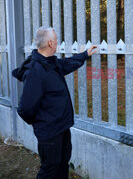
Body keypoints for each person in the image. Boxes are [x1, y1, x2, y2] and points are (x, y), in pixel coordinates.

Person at [12, 26, 97, 179]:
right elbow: (25, 108)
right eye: (56, 40)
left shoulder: (51, 63)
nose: (58, 42)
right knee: (50, 170)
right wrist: (42, 123)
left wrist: (85, 54)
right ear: (50, 43)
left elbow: (66, 64)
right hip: (49, 132)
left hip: (62, 127)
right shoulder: (35, 71)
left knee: (62, 164)